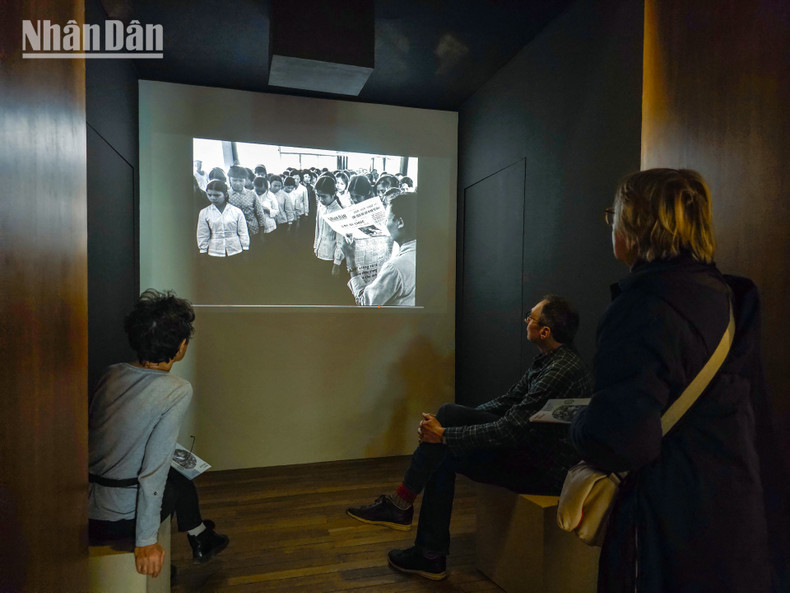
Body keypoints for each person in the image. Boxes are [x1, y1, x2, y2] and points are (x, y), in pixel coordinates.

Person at [570, 168, 780, 593]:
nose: (611, 224)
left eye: (616, 214)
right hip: (735, 511)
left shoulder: (642, 308)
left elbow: (624, 440)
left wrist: (579, 425)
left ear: (636, 225)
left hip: (670, 520)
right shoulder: (725, 295)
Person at [347, 295, 592, 580]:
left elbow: (509, 428)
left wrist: (445, 434)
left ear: (545, 332)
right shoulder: (551, 361)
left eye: (531, 317)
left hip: (546, 470)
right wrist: (448, 424)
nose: (526, 320)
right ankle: (423, 546)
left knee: (444, 447)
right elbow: (508, 401)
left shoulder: (560, 372)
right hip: (532, 450)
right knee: (447, 425)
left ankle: (414, 527)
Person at [88, 290, 229, 577]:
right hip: (119, 517)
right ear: (180, 346)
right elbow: (153, 471)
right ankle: (198, 537)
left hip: (89, 502)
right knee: (174, 484)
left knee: (178, 471)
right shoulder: (176, 389)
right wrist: (146, 543)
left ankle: (200, 536)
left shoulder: (111, 373)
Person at [345, 191, 415, 306]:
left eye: (387, 219)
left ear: (400, 222)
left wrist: (351, 263)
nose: (385, 224)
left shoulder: (394, 268)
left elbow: (366, 304)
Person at [196, 179, 250, 257]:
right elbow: (202, 234)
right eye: (209, 195)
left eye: (217, 195)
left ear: (225, 194)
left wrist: (245, 248)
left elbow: (243, 232)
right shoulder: (204, 212)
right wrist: (203, 250)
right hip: (215, 252)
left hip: (235, 251)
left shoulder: (236, 211)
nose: (213, 198)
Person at [312, 174, 345, 276]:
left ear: (333, 194)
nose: (321, 199)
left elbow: (341, 242)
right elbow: (317, 229)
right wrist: (315, 247)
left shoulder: (339, 212)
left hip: (331, 257)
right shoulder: (321, 206)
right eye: (318, 196)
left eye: (324, 196)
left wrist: (336, 264)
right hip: (319, 252)